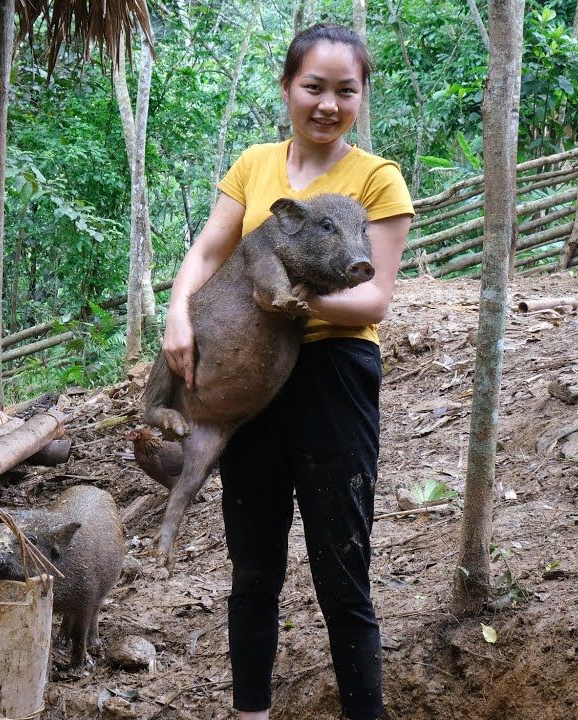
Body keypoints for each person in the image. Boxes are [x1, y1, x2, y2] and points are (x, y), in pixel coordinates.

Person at [159, 22, 415, 720]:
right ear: (288, 89)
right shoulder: (255, 167)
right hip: (252, 379)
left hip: (334, 375)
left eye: (345, 90)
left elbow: (375, 297)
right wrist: (178, 312)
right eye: (314, 87)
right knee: (253, 568)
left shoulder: (375, 179)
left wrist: (286, 289)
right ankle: (251, 714)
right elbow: (210, 250)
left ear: (361, 97)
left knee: (341, 569)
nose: (327, 104)